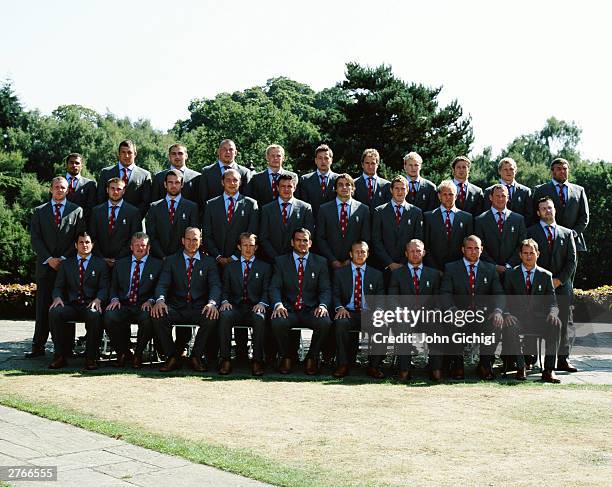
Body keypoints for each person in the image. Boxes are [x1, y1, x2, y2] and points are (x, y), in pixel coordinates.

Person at [28, 177, 85, 358]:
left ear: (68, 190)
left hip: (67, 267)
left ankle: (67, 348)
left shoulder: (76, 210)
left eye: (63, 187)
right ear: (50, 189)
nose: (59, 190)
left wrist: (62, 258)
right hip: (46, 267)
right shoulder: (39, 211)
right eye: (56, 187)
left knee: (66, 307)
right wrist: (49, 258)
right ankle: (38, 346)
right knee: (43, 308)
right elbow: (35, 238)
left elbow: (79, 238)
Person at [151, 227, 221, 372]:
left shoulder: (209, 262)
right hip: (176, 307)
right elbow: (162, 284)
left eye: (195, 239)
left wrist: (212, 303)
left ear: (200, 242)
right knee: (158, 314)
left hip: (198, 308)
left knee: (212, 315)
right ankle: (172, 357)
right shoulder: (171, 261)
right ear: (182, 241)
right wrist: (160, 300)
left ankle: (195, 356)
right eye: (188, 239)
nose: (191, 243)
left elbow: (215, 285)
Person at [440, 235, 505, 380]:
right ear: (463, 250)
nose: (473, 251)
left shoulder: (489, 269)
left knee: (496, 323)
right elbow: (445, 293)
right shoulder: (451, 268)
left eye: (477, 248)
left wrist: (498, 311)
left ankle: (485, 365)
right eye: (469, 248)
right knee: (450, 322)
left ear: (481, 250)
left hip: (484, 316)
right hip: (459, 315)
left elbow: (499, 293)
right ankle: (458, 365)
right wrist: (451, 310)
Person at [269, 228, 332, 375]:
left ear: (310, 243)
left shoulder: (321, 262)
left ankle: (312, 357)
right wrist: (278, 304)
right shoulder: (281, 261)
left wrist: (322, 305)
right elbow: (275, 287)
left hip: (310, 310)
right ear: (292, 242)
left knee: (325, 321)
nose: (302, 243)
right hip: (288, 309)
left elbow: (325, 289)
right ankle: (287, 356)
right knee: (278, 321)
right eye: (298, 240)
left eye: (305, 240)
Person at [527, 197, 577, 372]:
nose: (547, 211)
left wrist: (559, 280)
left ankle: (563, 359)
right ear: (538, 212)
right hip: (538, 287)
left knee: (564, 322)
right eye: (543, 208)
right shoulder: (530, 232)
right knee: (533, 318)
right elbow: (529, 259)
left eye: (550, 207)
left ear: (555, 210)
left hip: (562, 286)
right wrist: (546, 282)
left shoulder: (567, 233)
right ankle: (530, 358)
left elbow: (572, 261)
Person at [503, 239, 562, 383]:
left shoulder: (546, 275)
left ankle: (549, 370)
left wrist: (553, 312)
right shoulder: (511, 274)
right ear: (520, 255)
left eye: (532, 253)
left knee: (556, 324)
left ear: (538, 254)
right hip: (518, 319)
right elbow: (504, 298)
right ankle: (521, 366)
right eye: (525, 253)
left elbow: (552, 302)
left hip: (539, 320)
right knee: (510, 325)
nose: (529, 256)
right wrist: (506, 314)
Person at [48, 232, 109, 370]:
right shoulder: (66, 264)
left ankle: (91, 357)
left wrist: (99, 299)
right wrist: (57, 298)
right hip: (71, 305)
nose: (84, 245)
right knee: (55, 312)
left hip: (90, 304)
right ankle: (59, 356)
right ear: (76, 245)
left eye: (87, 242)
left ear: (92, 245)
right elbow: (58, 286)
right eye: (81, 242)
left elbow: (104, 287)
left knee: (94, 314)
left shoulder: (100, 264)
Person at [104, 232, 163, 368]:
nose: (139, 248)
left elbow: (160, 287)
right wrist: (114, 299)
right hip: (123, 304)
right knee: (109, 316)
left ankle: (138, 354)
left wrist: (151, 301)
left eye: (143, 245)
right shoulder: (120, 263)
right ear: (131, 247)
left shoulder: (157, 265)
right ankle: (123, 353)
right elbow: (113, 286)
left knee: (148, 317)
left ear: (148, 247)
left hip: (144, 305)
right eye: (136, 245)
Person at [218, 233, 271, 376]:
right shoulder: (230, 267)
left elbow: (268, 290)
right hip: (235, 307)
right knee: (224, 315)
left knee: (259, 317)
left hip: (255, 307)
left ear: (256, 247)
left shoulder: (265, 267)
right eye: (245, 245)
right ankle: (226, 359)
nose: (248, 248)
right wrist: (224, 302)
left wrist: (262, 303)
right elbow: (224, 290)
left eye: (251, 245)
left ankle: (257, 360)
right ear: (239, 247)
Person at [388, 239, 441, 380]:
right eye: (412, 251)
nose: (415, 254)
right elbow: (392, 298)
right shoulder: (397, 274)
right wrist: (399, 312)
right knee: (403, 326)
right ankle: (404, 370)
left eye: (418, 251)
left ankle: (435, 368)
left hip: (427, 316)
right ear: (406, 253)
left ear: (423, 253)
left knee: (437, 324)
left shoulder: (434, 274)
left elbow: (438, 298)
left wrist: (435, 311)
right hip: (405, 317)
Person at [331, 241, 385, 379]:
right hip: (347, 312)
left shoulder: (377, 274)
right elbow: (335, 295)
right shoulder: (340, 273)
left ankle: (373, 366)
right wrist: (340, 307)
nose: (360, 254)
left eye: (363, 252)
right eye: (357, 251)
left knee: (382, 324)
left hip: (369, 313)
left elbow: (381, 297)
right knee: (340, 323)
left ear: (368, 254)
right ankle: (343, 364)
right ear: (350, 254)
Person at [202, 168, 259, 265]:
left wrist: (234, 257)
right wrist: (217, 256)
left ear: (240, 182)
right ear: (222, 182)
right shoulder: (211, 204)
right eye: (228, 180)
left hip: (241, 260)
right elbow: (207, 235)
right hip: (215, 261)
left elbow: (252, 232)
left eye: (235, 180)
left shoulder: (251, 204)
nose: (232, 183)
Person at [532, 158, 589, 253]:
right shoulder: (540, 190)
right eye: (559, 169)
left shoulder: (579, 190)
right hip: (546, 240)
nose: (562, 171)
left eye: (565, 169)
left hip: (574, 241)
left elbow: (584, 216)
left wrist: (573, 233)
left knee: (571, 267)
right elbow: (534, 214)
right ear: (552, 171)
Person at [316, 173, 371, 270]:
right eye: (340, 185)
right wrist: (332, 260)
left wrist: (351, 259)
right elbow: (320, 238)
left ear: (353, 188)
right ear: (335, 189)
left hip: (354, 263)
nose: (344, 187)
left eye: (348, 184)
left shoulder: (363, 209)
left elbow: (365, 238)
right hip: (329, 264)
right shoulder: (324, 209)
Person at [371, 175, 424, 274]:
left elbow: (418, 240)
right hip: (384, 266)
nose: (399, 192)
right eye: (396, 188)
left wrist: (405, 262)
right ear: (391, 190)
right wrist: (389, 263)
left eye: (403, 188)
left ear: (407, 190)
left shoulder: (416, 212)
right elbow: (376, 240)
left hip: (408, 266)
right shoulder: (379, 211)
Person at [259, 173, 314, 262]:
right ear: (277, 188)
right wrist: (276, 258)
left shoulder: (305, 208)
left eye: (289, 186)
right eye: (283, 186)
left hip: (297, 259)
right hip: (272, 260)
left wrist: (295, 256)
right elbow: (263, 238)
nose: (286, 189)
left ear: (294, 188)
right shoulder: (267, 209)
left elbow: (309, 235)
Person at [89, 177, 142, 268]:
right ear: (107, 190)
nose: (115, 192)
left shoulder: (133, 212)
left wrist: (118, 259)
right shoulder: (96, 211)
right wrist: (102, 258)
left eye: (119, 189)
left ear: (124, 191)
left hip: (123, 262)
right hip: (99, 262)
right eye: (112, 188)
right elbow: (92, 237)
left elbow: (134, 238)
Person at [474, 184, 527, 276]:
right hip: (488, 272)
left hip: (512, 272)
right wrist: (494, 266)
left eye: (503, 196)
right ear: (490, 197)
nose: (500, 199)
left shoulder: (518, 219)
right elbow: (479, 247)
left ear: (508, 198)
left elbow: (521, 246)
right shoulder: (480, 220)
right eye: (497, 196)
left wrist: (509, 265)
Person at [146, 169, 199, 259]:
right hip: (158, 259)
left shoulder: (192, 207)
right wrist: (162, 256)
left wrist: (176, 258)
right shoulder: (154, 207)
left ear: (182, 185)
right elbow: (151, 236)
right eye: (170, 182)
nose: (173, 185)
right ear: (165, 184)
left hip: (182, 259)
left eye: (177, 182)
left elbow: (192, 236)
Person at [423, 180, 473, 271]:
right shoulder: (428, 217)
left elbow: (468, 246)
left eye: (451, 194)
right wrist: (434, 269)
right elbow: (426, 246)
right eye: (445, 194)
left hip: (459, 269)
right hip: (434, 269)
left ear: (456, 196)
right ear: (439, 196)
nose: (448, 197)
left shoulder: (467, 218)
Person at [97, 139, 152, 218]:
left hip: (135, 222)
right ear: (118, 154)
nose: (126, 156)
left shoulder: (145, 175)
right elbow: (100, 198)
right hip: (110, 220)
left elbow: (146, 202)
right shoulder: (106, 172)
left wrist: (135, 218)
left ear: (135, 154)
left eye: (129, 152)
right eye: (123, 152)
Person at [198, 139, 252, 209]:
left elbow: (247, 199)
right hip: (214, 215)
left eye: (231, 149)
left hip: (238, 217)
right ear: (218, 152)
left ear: (235, 153)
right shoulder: (207, 172)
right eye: (224, 149)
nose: (228, 152)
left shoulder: (244, 172)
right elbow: (202, 199)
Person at [483, 157, 533, 224]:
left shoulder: (525, 191)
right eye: (505, 169)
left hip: (519, 231)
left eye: (511, 169)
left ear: (515, 171)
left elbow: (529, 215)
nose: (508, 172)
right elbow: (487, 214)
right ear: (499, 171)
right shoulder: (489, 191)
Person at [296, 144, 338, 218]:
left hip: (334, 223)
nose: (323, 161)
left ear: (331, 160)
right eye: (320, 158)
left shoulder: (339, 179)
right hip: (312, 222)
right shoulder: (305, 180)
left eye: (326, 158)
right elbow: (302, 205)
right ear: (315, 160)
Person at [64, 152, 97, 221]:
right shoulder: (57, 182)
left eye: (77, 163)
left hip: (81, 224)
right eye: (71, 162)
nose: (74, 165)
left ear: (82, 166)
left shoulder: (90, 184)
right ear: (66, 165)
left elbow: (90, 208)